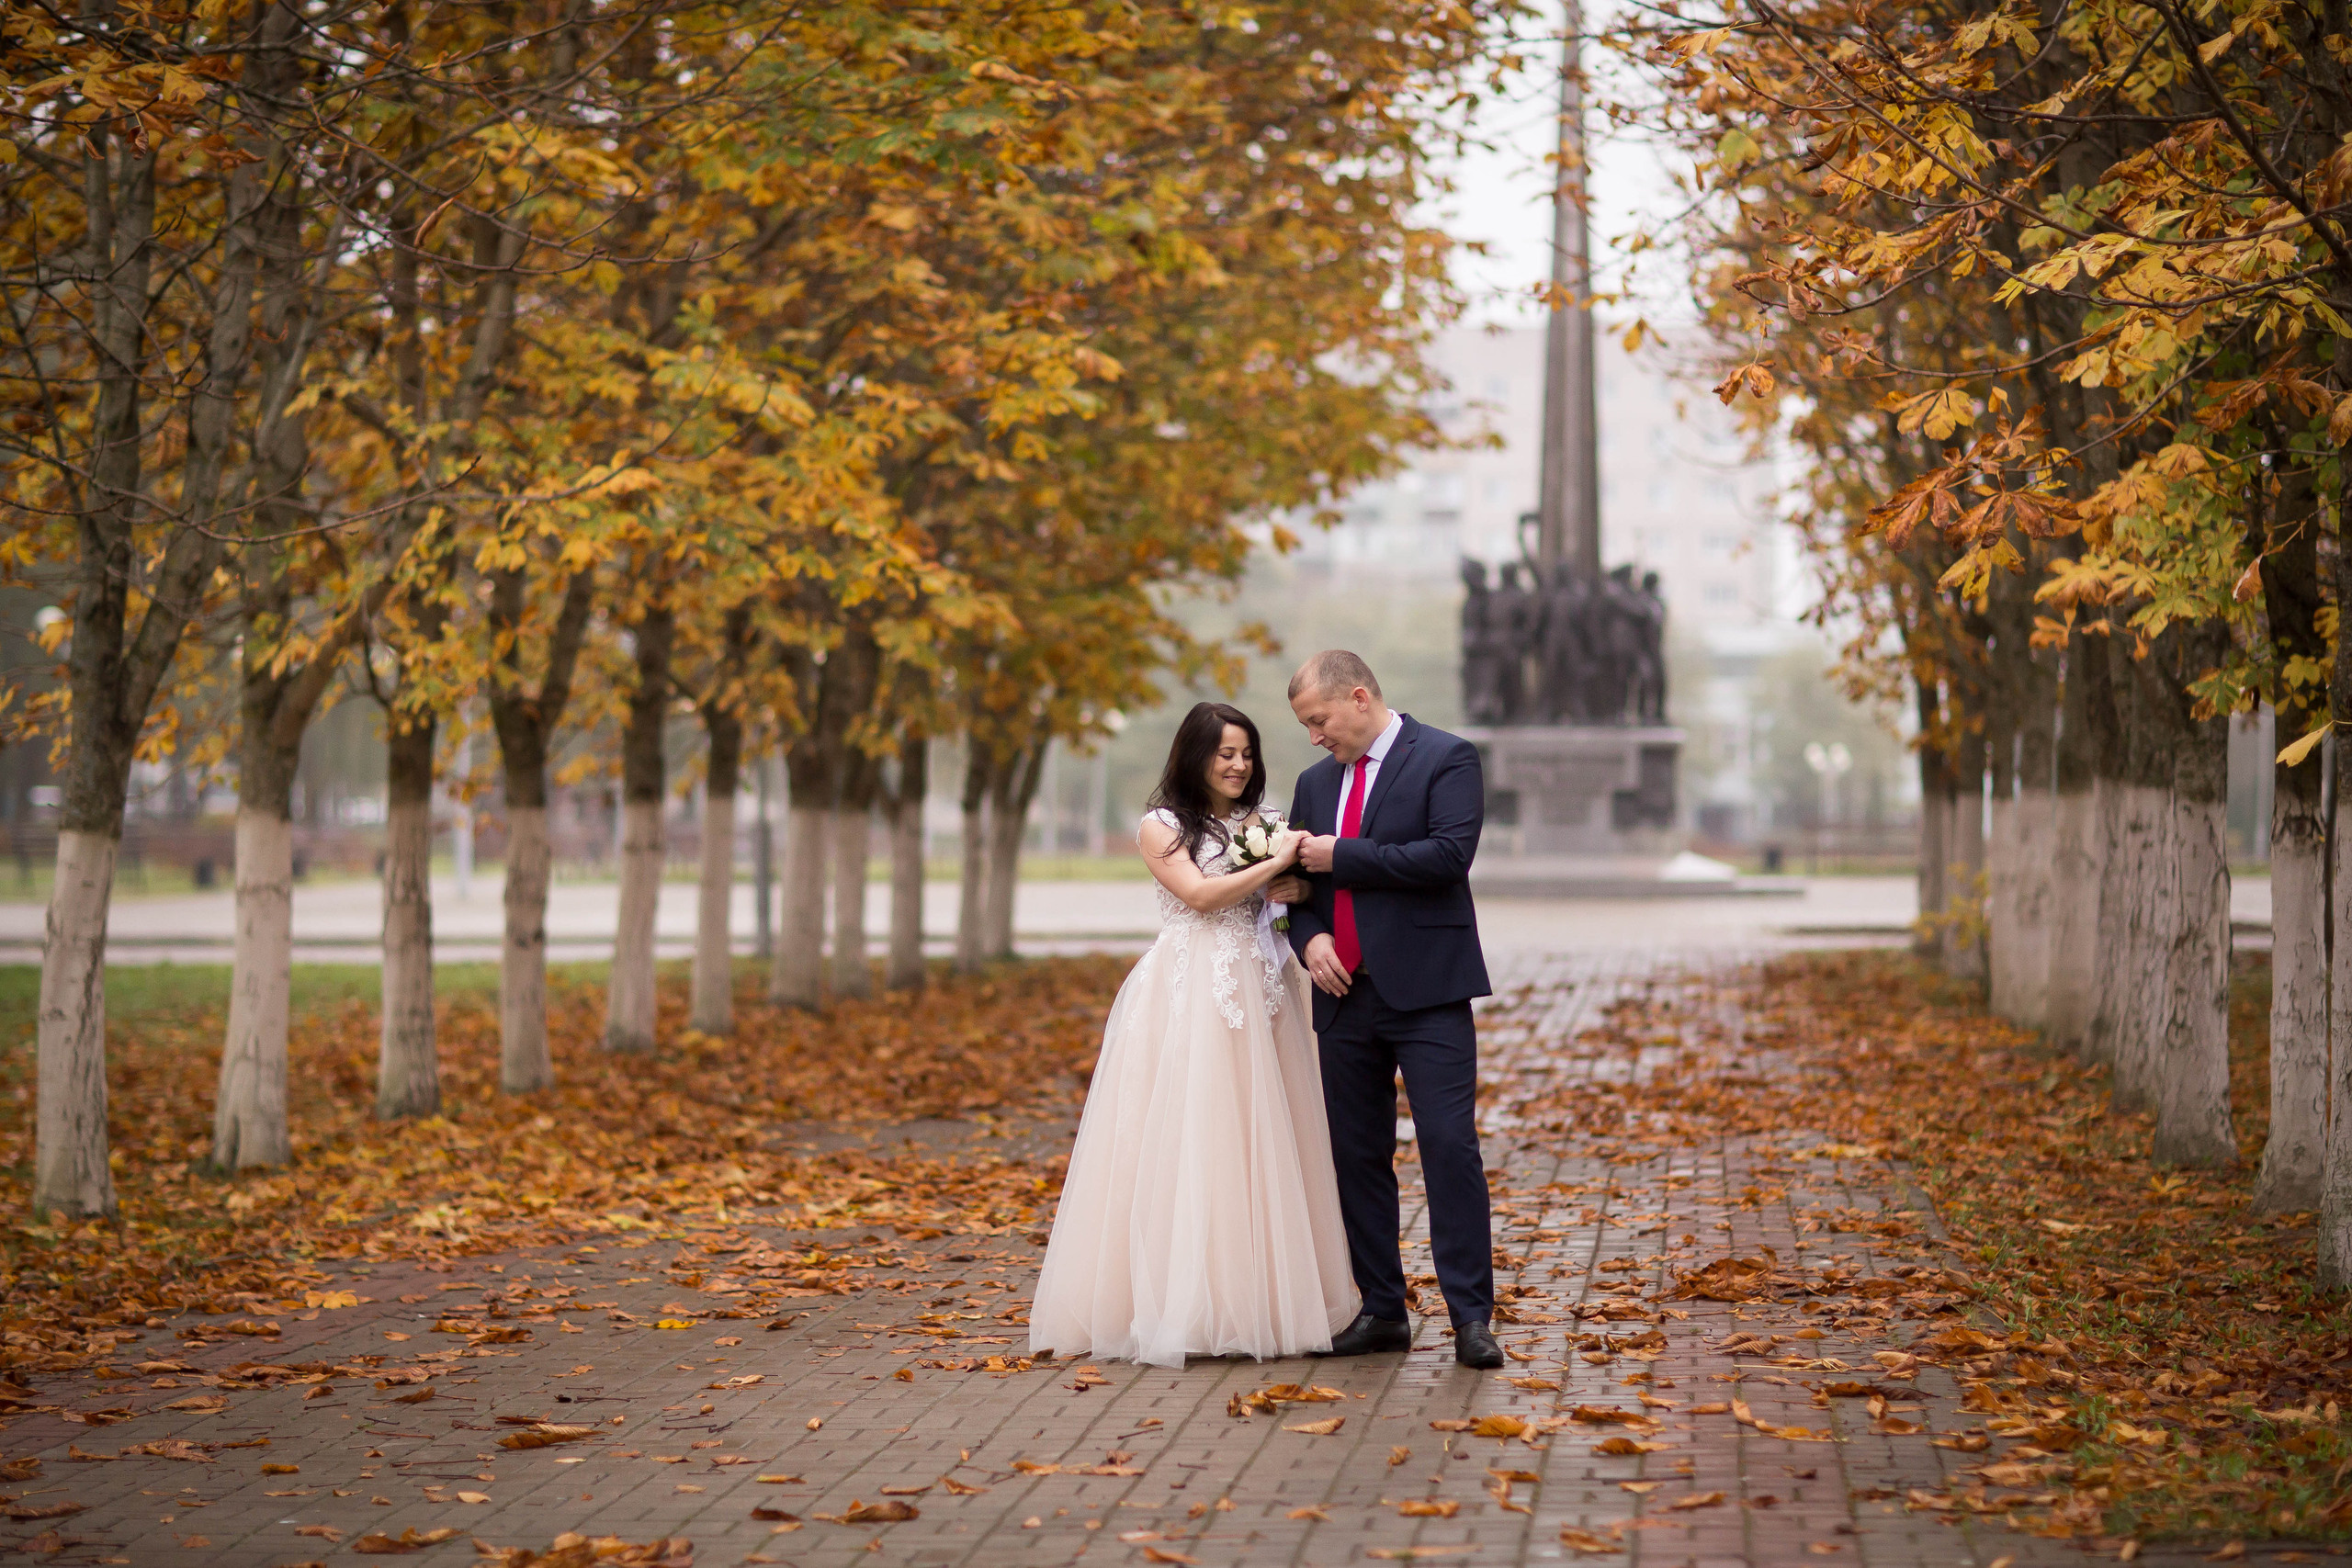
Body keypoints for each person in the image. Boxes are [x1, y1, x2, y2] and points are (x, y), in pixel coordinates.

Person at [1028, 702, 1359, 1367]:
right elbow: (1203, 896)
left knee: (1264, 1136)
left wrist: (1288, 878)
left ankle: (1262, 1299)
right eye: (1224, 753)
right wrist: (1278, 867)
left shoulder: (1264, 823)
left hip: (1263, 987)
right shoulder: (1163, 825)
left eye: (1246, 753)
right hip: (1192, 987)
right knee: (1191, 1135)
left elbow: (1291, 897)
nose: (1238, 765)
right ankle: (1180, 1303)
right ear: (1194, 754)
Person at [1280, 651, 1500, 1370]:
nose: (1314, 736)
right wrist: (1308, 942)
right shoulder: (1314, 783)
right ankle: (1382, 1310)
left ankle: (1471, 1317)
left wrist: (1341, 854)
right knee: (1357, 1155)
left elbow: (1446, 857)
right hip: (1342, 995)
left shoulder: (1446, 757)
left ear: (1360, 696)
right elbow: (1296, 892)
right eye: (1306, 725)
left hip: (1428, 990)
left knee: (1448, 1147)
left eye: (1319, 719)